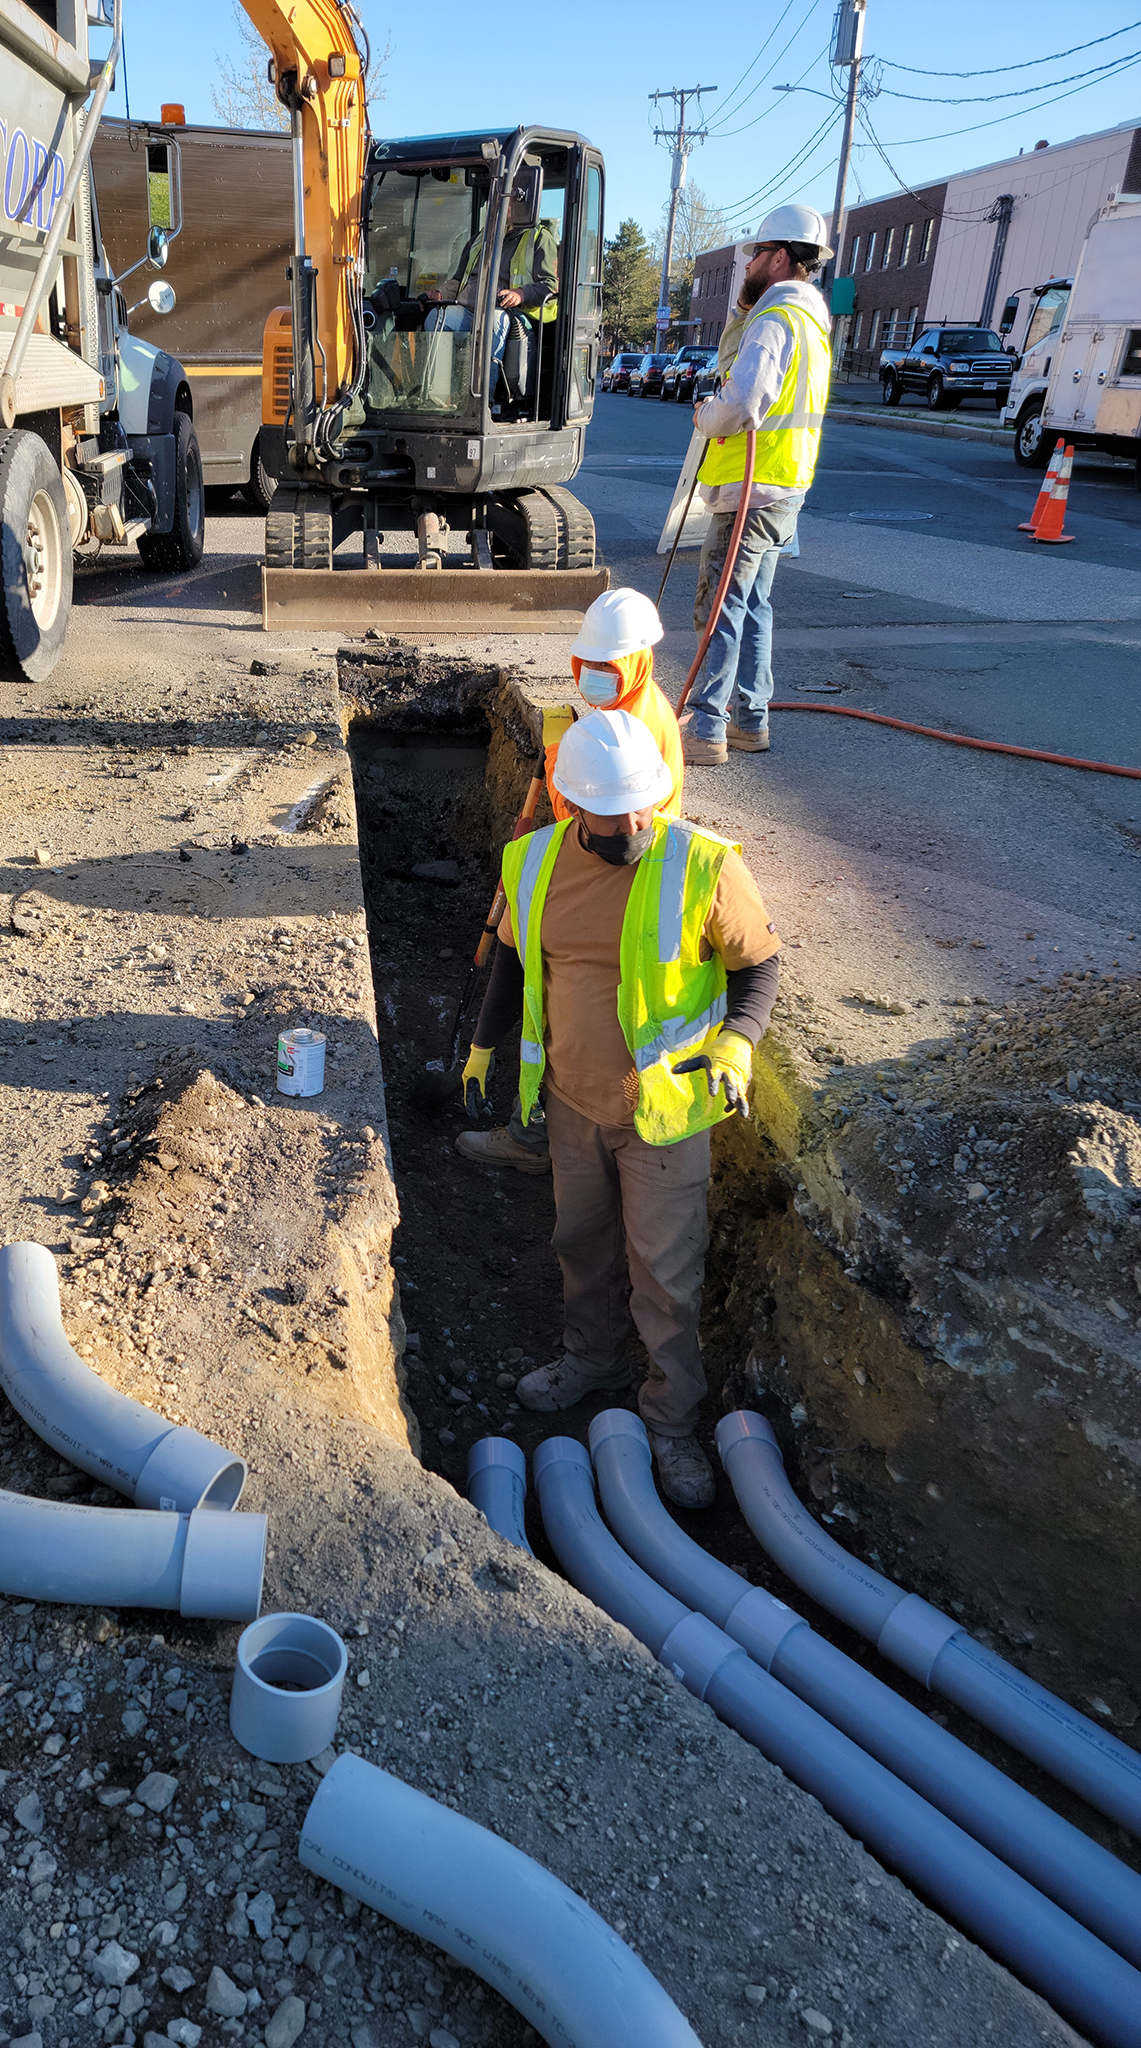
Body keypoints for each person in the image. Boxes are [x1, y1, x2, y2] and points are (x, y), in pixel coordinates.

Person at [457, 710, 782, 1508]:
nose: (635, 826)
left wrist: (738, 1042)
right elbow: (513, 962)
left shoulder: (702, 864)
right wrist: (484, 1047)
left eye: (645, 808)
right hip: (572, 1103)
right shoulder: (535, 862)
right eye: (614, 815)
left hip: (663, 1115)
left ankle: (671, 1420)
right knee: (580, 1244)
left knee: (666, 1274)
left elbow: (759, 966)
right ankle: (591, 1360)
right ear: (573, 805)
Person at [456, 587, 684, 1176]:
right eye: (589, 663)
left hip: (614, 876)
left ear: (636, 661)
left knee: (560, 1006)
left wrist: (561, 756)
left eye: (608, 665)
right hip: (612, 868)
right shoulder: (635, 704)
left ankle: (533, 1137)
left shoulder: (637, 725)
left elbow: (584, 817)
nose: (594, 676)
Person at [682, 201, 834, 766]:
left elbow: (742, 403)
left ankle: (706, 727)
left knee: (720, 607)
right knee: (753, 605)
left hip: (750, 489)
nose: (747, 264)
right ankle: (751, 720)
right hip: (784, 487)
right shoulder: (810, 323)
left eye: (756, 253)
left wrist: (706, 415)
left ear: (780, 257)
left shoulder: (774, 321)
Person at [425, 170, 559, 408]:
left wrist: (521, 294)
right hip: (470, 310)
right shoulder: (480, 239)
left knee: (493, 320)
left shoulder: (539, 238)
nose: (496, 207)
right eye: (494, 201)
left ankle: (481, 400)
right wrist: (441, 294)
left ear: (520, 205)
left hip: (509, 312)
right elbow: (459, 279)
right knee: (437, 317)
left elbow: (550, 285)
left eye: (505, 202)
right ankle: (439, 396)